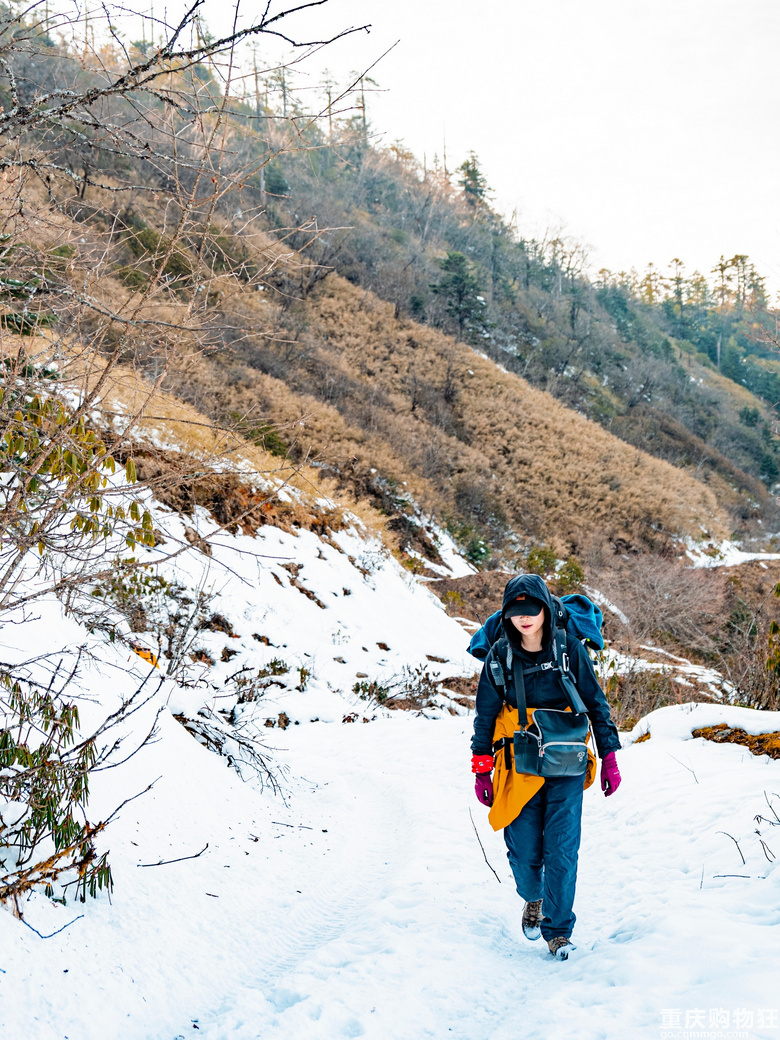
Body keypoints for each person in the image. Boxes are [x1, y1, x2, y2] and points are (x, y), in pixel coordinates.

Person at [470, 573, 622, 960]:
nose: (524, 617)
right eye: (516, 609)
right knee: (523, 854)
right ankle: (533, 897)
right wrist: (481, 767)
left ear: (545, 610)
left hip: (566, 762)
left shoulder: (570, 649)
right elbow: (485, 716)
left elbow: (596, 703)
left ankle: (558, 932)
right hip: (516, 763)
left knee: (562, 851)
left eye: (532, 608)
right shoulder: (499, 655)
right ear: (507, 613)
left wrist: (609, 756)